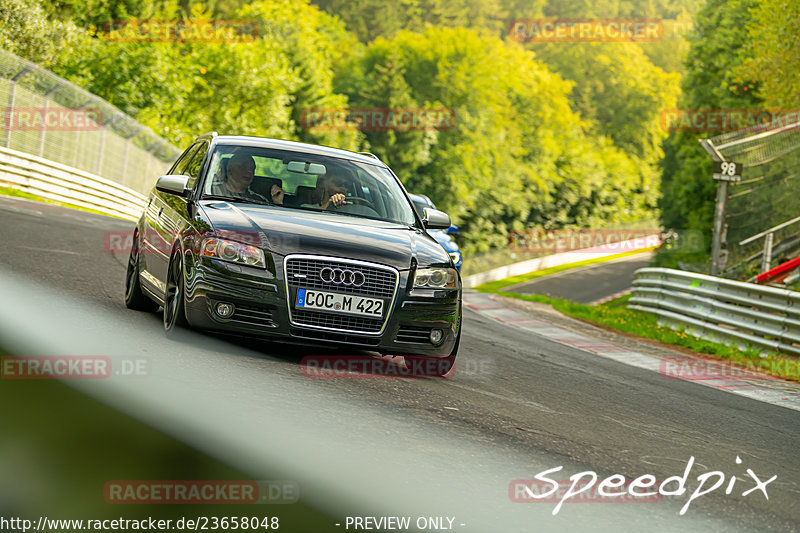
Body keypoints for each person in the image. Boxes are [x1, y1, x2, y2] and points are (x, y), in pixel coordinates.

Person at [211, 153, 284, 205]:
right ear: (229, 169)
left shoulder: (259, 201)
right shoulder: (210, 190)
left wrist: (277, 203)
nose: (250, 171)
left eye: (252, 168)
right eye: (244, 166)